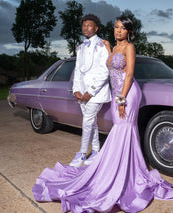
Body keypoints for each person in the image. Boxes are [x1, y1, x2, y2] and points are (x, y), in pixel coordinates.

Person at [32, 16, 173, 213]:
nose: (118, 31)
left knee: (124, 130)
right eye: (116, 27)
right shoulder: (111, 48)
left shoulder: (129, 48)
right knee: (120, 130)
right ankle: (118, 168)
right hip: (116, 94)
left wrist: (122, 98)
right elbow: (107, 69)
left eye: (122, 28)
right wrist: (113, 90)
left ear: (129, 32)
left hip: (128, 93)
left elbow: (129, 74)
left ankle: (124, 174)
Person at [70, 14, 111, 167]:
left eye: (89, 25)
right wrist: (76, 91)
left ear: (96, 28)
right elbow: (78, 71)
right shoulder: (80, 47)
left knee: (87, 121)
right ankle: (95, 151)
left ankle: (81, 153)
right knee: (91, 122)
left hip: (96, 93)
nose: (86, 28)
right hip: (82, 93)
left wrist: (90, 92)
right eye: (84, 25)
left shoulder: (102, 45)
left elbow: (105, 71)